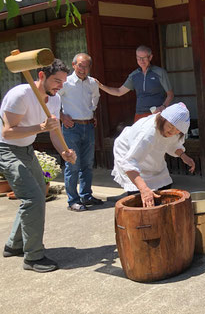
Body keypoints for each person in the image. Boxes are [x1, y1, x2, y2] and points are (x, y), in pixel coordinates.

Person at [0, 59, 77, 273]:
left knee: (35, 197)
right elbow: (7, 132)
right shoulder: (20, 95)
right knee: (33, 198)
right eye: (56, 81)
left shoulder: (54, 99)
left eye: (63, 82)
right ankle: (33, 257)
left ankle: (14, 245)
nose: (59, 86)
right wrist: (40, 127)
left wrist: (64, 151)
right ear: (41, 76)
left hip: (27, 149)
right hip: (6, 148)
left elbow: (54, 131)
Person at [111, 102, 195, 207]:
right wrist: (144, 190)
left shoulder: (174, 130)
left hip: (151, 153)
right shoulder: (148, 133)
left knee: (164, 184)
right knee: (139, 194)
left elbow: (172, 144)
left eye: (177, 130)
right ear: (163, 119)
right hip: (129, 151)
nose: (173, 131)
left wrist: (183, 155)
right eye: (170, 126)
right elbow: (130, 162)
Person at [58, 53, 103, 212]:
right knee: (73, 164)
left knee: (87, 164)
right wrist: (62, 116)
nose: (83, 69)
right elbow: (52, 100)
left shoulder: (92, 83)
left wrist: (93, 114)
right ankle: (73, 201)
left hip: (89, 126)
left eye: (86, 66)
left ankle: (86, 196)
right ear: (73, 65)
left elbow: (94, 101)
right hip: (72, 128)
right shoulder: (66, 83)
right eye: (80, 66)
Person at [97, 45, 173, 123]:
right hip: (140, 114)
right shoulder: (134, 75)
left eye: (144, 58)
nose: (141, 61)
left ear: (150, 57)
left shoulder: (160, 72)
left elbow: (170, 94)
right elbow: (119, 92)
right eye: (139, 58)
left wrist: (163, 107)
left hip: (158, 113)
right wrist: (100, 85)